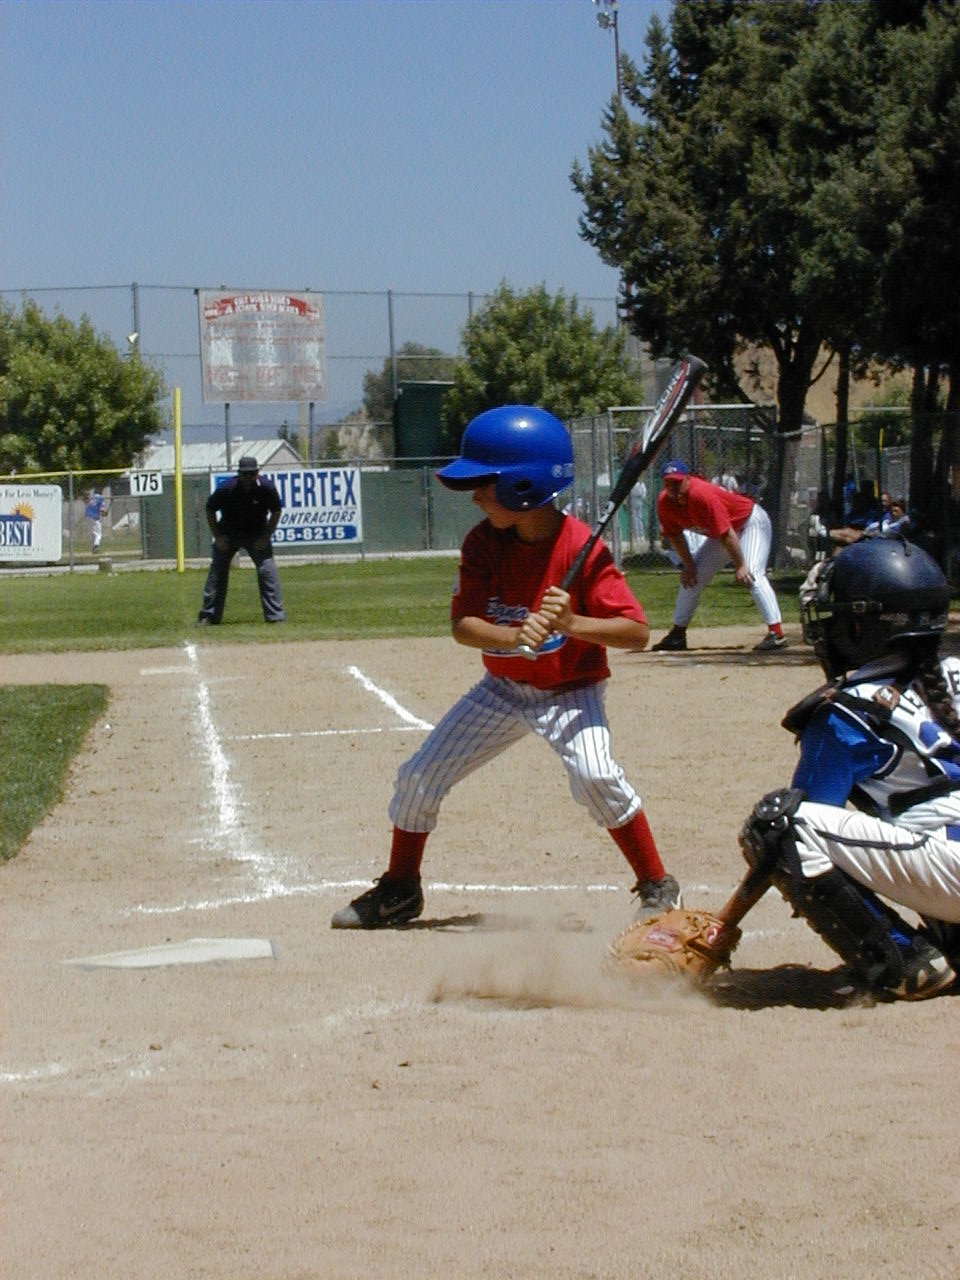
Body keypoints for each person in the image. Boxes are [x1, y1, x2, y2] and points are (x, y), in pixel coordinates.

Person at [331, 404, 681, 929]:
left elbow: (636, 632)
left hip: (571, 691)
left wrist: (573, 623)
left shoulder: (583, 549)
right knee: (420, 776)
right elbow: (464, 625)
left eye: (484, 484)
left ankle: (658, 884)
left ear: (523, 485)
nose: (474, 495)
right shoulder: (483, 543)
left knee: (595, 775)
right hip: (502, 691)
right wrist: (516, 637)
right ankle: (401, 888)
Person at [739, 537, 960, 1000]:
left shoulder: (846, 710)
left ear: (861, 628)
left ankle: (908, 962)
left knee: (778, 825)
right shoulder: (954, 672)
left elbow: (796, 836)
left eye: (839, 617)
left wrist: (723, 925)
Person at [651, 460, 787, 653]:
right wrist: (689, 565)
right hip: (723, 533)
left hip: (749, 522)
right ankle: (677, 635)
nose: (673, 487)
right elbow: (675, 536)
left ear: (688, 479)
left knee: (753, 573)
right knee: (692, 578)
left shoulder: (701, 495)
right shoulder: (665, 502)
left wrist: (741, 565)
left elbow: (727, 534)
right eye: (668, 483)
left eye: (677, 482)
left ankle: (777, 633)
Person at [197, 455, 286, 625]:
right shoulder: (227, 488)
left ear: (257, 473)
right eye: (244, 474)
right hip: (229, 533)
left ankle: (276, 617)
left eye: (251, 474)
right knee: (217, 571)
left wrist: (266, 537)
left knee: (267, 570)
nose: (248, 478)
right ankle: (209, 615)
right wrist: (218, 537)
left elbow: (276, 511)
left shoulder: (266, 488)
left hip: (257, 533)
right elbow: (210, 509)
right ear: (239, 474)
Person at [84, 487, 108, 553]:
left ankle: (93, 546)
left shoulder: (92, 498)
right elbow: (102, 510)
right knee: (99, 534)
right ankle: (96, 547)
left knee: (93, 533)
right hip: (94, 517)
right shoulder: (100, 498)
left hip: (87, 516)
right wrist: (105, 513)